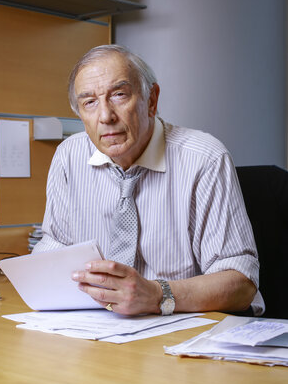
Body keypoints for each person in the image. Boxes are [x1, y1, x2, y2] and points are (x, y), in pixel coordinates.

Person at [33, 43, 264, 318]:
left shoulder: (205, 158)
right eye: (90, 102)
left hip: (181, 336)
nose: (105, 116)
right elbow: (51, 250)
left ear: (151, 100)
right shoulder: (68, 157)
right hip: (95, 332)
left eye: (119, 95)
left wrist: (158, 295)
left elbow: (241, 285)